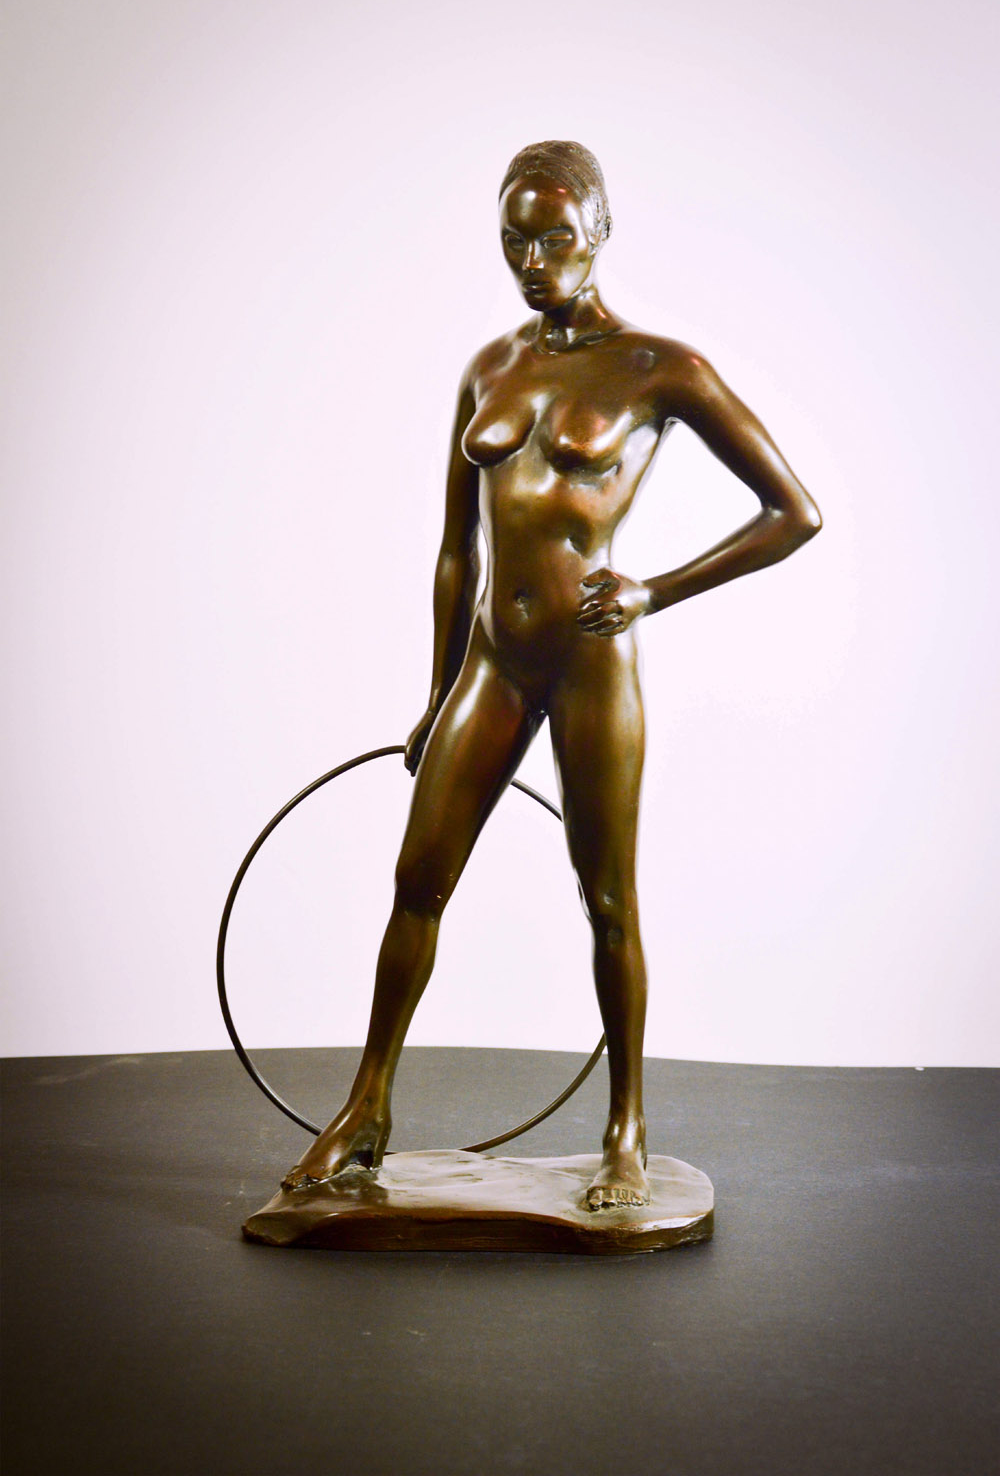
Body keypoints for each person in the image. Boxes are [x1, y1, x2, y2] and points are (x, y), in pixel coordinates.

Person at [282, 140, 821, 1208]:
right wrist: (436, 694)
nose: (534, 261)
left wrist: (653, 590)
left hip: (587, 661)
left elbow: (793, 512)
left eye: (556, 239)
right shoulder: (490, 367)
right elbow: (456, 551)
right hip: (495, 657)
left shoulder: (658, 368)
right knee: (417, 879)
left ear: (601, 233)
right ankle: (367, 1107)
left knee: (607, 897)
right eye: (513, 240)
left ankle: (626, 1129)